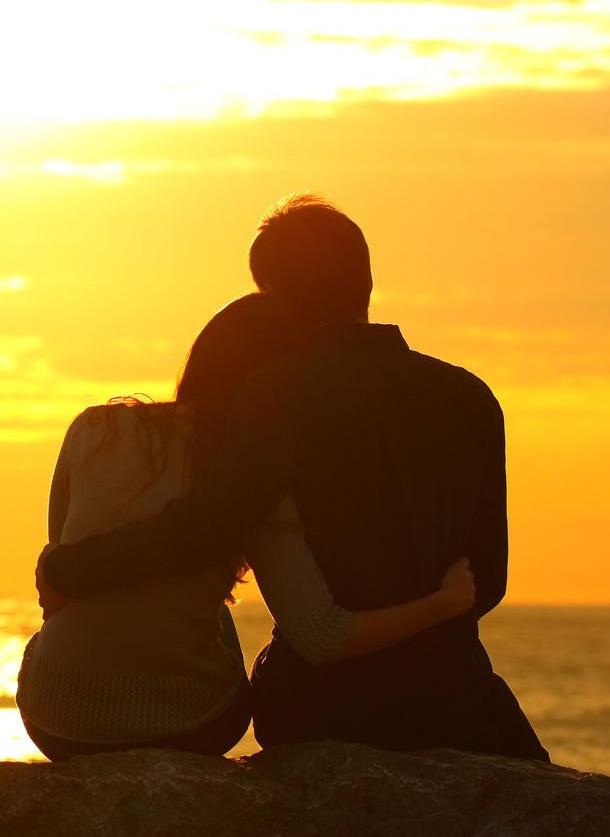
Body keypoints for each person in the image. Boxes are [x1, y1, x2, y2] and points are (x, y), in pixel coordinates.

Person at [36, 196, 549, 762]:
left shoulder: (275, 393)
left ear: (275, 297)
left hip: (324, 702)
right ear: (367, 280)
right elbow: (489, 581)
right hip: (452, 691)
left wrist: (67, 566)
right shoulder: (469, 396)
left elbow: (202, 529)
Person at [16, 292, 479, 761]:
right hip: (185, 726)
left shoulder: (96, 430)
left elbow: (57, 590)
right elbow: (320, 637)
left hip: (56, 718)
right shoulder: (254, 483)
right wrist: (443, 604)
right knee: (217, 618)